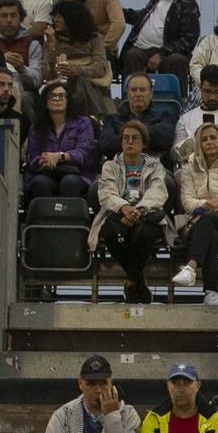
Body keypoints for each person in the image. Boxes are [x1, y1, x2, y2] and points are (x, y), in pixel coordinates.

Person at [86, 119, 171, 303]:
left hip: (147, 214)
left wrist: (138, 210)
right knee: (108, 233)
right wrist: (124, 208)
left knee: (144, 234)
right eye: (126, 139)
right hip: (117, 213)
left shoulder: (155, 165)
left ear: (144, 143)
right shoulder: (110, 166)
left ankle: (132, 280)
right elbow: (106, 193)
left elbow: (158, 192)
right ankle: (137, 281)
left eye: (135, 138)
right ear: (121, 142)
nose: (130, 142)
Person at [172, 121, 218, 291]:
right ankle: (210, 293)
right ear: (199, 144)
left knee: (211, 222)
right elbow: (187, 202)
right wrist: (208, 204)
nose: (209, 142)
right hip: (195, 222)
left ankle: (191, 266)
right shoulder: (188, 170)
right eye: (204, 139)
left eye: (213, 138)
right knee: (210, 233)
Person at [121, 0, 200, 81]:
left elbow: (189, 40)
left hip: (168, 52)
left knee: (176, 61)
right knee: (132, 55)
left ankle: (176, 99)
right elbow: (142, 16)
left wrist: (162, 54)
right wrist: (119, 12)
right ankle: (129, 97)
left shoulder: (188, 4)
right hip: (142, 48)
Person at [22, 82, 99, 204]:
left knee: (69, 182)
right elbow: (31, 155)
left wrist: (59, 157)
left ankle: (71, 221)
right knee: (39, 183)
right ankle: (43, 221)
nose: (57, 99)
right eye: (53, 96)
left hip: (77, 172)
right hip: (45, 172)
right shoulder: (37, 127)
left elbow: (84, 153)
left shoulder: (82, 123)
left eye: (61, 96)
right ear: (45, 102)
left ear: (68, 100)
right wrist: (43, 160)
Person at [43, 354, 140, 433]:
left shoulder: (128, 415)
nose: (98, 390)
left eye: (103, 383)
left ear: (111, 382)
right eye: (91, 383)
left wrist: (112, 417)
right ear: (80, 383)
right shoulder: (63, 416)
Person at [137, 363, 218, 433]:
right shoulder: (153, 420)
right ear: (168, 386)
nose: (181, 389)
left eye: (187, 383)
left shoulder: (216, 420)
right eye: (175, 383)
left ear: (197, 386)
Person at [0, 0, 46, 96]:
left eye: (13, 15)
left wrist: (22, 69)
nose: (9, 20)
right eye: (4, 16)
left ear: (21, 18)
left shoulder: (32, 44)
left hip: (24, 93)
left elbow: (37, 81)